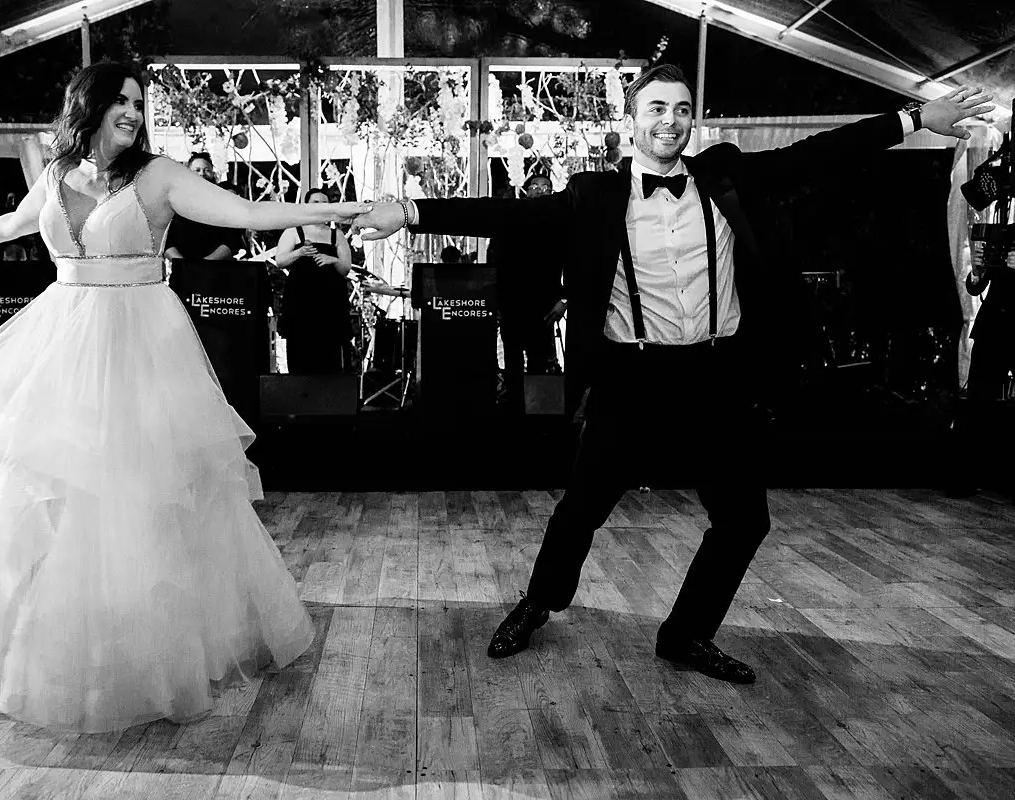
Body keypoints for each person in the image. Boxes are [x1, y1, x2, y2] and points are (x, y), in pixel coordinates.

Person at [354, 64, 992, 684]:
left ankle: (686, 633)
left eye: (682, 109)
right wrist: (408, 212)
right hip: (633, 377)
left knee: (745, 520)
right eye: (657, 108)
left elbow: (818, 154)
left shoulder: (723, 175)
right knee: (582, 508)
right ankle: (539, 602)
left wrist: (915, 118)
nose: (671, 120)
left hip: (714, 374)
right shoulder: (595, 195)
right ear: (631, 119)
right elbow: (508, 216)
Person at [0, 62, 371, 733]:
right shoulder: (57, 173)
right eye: (121, 101)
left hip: (137, 340)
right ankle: (32, 644)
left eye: (139, 103)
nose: (133, 112)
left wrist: (330, 211)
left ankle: (140, 644)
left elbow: (247, 213)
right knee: (34, 485)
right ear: (89, 105)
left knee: (136, 491)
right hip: (60, 336)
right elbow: (19, 222)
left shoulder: (159, 176)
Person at [488, 173, 567, 411]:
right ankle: (514, 409)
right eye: (534, 186)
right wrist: (495, 303)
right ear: (526, 191)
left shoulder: (560, 225)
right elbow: (494, 264)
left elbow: (575, 264)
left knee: (539, 362)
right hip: (511, 304)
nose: (539, 191)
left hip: (544, 307)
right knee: (512, 360)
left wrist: (564, 299)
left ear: (552, 193)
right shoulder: (509, 222)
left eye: (545, 188)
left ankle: (536, 413)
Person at [948, 236, 1015, 498]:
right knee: (977, 401)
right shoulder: (1002, 229)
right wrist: (978, 272)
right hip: (994, 325)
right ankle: (967, 476)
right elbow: (976, 287)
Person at [274, 188, 354, 374]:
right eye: (315, 202)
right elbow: (280, 261)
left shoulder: (336, 235)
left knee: (330, 355)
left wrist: (332, 260)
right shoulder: (293, 231)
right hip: (301, 300)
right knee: (301, 352)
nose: (320, 206)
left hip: (330, 302)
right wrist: (299, 252)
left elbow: (345, 268)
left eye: (324, 203)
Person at [163, 153, 245, 261]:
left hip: (217, 265)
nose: (202, 173)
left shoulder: (223, 200)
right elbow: (166, 240)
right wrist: (182, 263)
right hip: (183, 266)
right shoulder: (175, 203)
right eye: (197, 170)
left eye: (207, 170)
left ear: (213, 174)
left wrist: (206, 263)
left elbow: (233, 239)